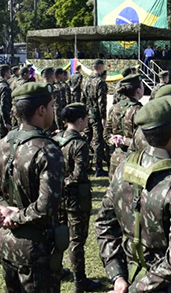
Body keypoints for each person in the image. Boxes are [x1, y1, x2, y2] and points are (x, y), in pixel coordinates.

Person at [95, 96, 171, 293]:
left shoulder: (125, 167)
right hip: (162, 285)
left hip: (131, 276)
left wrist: (118, 276)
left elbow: (103, 224)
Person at [0, 83, 66, 293]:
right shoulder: (48, 150)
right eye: (52, 106)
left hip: (6, 242)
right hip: (36, 248)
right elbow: (47, 205)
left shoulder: (2, 144)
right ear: (41, 110)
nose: (54, 111)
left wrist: (1, 208)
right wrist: (12, 215)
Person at [53, 103, 101, 293]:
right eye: (86, 119)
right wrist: (67, 182)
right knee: (77, 240)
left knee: (59, 236)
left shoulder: (56, 139)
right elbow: (79, 174)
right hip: (75, 199)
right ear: (80, 120)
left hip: (58, 197)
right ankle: (79, 281)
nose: (87, 123)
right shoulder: (79, 144)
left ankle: (56, 270)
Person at [103, 74, 144, 178]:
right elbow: (142, 142)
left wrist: (114, 140)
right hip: (133, 159)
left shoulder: (114, 108)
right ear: (138, 90)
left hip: (116, 158)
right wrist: (124, 141)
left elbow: (106, 134)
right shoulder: (139, 110)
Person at [83, 59, 108, 177]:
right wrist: (103, 117)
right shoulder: (100, 82)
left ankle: (85, 164)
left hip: (87, 114)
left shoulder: (87, 80)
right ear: (100, 67)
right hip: (96, 114)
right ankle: (98, 167)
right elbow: (101, 102)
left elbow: (83, 98)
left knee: (86, 139)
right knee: (97, 140)